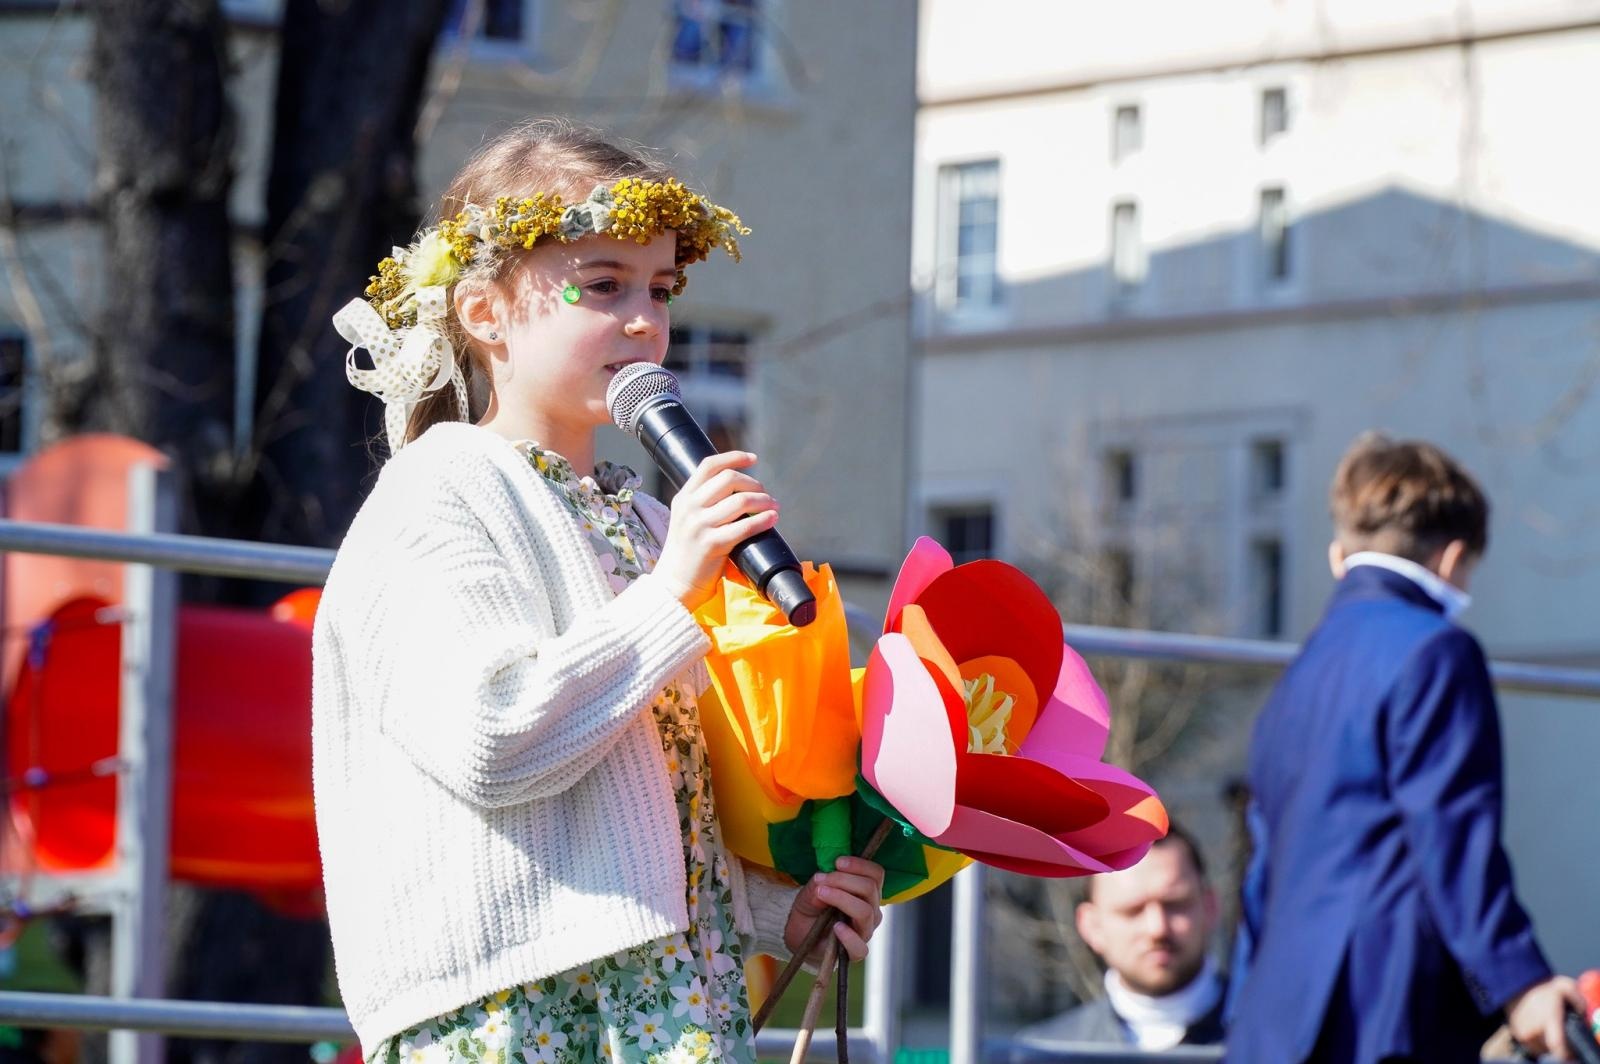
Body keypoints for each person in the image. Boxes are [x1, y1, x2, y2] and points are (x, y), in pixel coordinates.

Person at [311, 118, 886, 1064]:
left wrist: (787, 908)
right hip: (518, 1006)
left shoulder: (655, 526)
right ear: (484, 312)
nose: (644, 321)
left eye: (660, 289)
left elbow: (665, 798)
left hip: (672, 995)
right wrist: (670, 594)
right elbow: (490, 737)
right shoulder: (438, 490)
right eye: (603, 284)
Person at [1227, 433, 1583, 1063]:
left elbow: (1264, 865)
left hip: (1279, 1019)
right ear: (1450, 560)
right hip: (1385, 1007)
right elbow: (1453, 839)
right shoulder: (1437, 651)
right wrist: (1519, 981)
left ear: (1342, 555)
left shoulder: (1299, 675)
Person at [1014, 825, 1226, 1051]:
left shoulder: (1264, 1038)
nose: (1157, 929)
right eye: (1132, 911)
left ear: (1210, 906)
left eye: (1175, 905)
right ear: (1091, 926)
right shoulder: (1043, 1053)